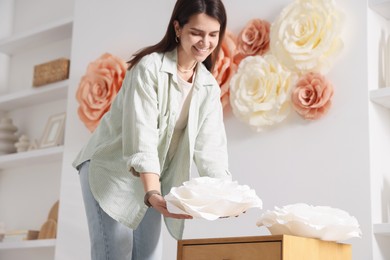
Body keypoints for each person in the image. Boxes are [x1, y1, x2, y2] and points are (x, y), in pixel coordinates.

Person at [73, 0, 231, 259]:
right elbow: (142, 136)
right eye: (196, 33)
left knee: (150, 256)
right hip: (111, 168)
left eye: (213, 34)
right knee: (115, 253)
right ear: (178, 29)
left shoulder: (208, 86)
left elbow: (210, 148)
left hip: (151, 178)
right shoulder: (149, 68)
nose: (206, 42)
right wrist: (152, 192)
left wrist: (225, 196)